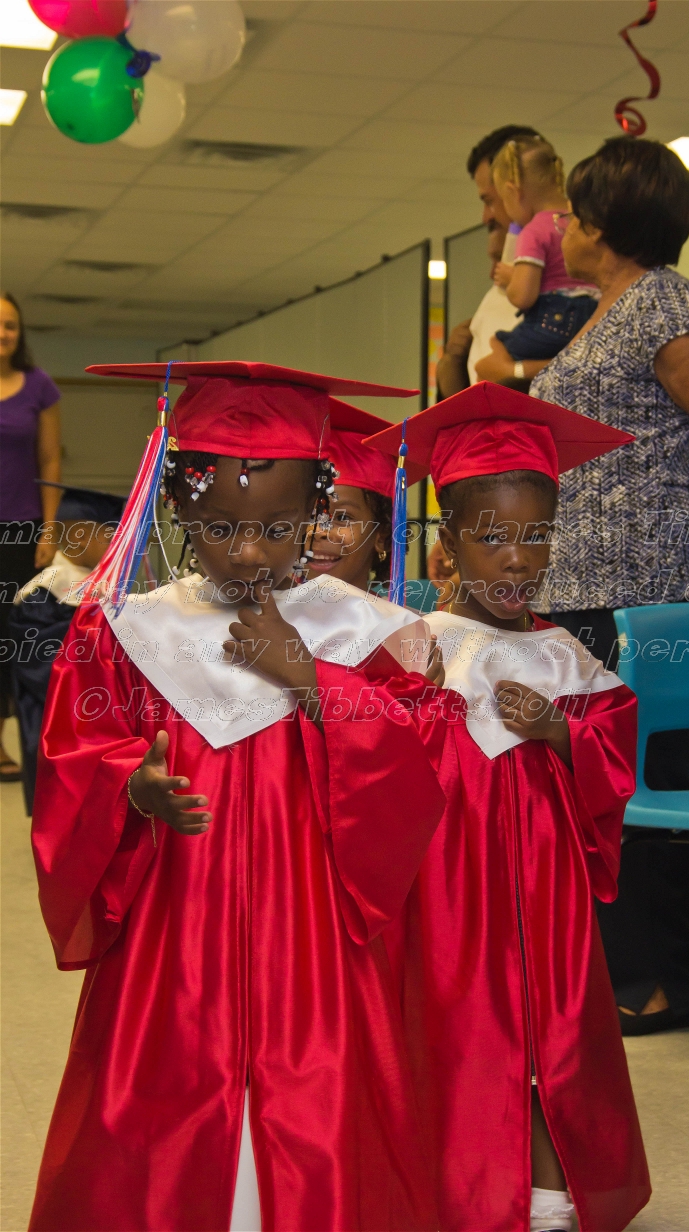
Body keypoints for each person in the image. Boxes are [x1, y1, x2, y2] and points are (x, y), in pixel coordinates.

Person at [28, 360, 448, 1232]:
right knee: (166, 1086)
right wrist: (129, 787)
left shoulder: (362, 632)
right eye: (219, 526)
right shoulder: (126, 629)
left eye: (277, 527)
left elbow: (419, 757)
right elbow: (74, 756)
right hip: (175, 927)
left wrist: (312, 680)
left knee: (319, 1086)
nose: (248, 550)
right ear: (178, 509)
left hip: (311, 927)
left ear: (315, 513)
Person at [365, 384, 650, 1232]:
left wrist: (560, 732)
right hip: (450, 887)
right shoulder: (417, 647)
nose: (518, 560)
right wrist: (422, 706)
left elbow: (614, 756)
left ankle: (551, 1180)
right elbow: (370, 766)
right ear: (448, 542)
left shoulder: (565, 656)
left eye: (537, 537)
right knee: (462, 1024)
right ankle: (462, 1182)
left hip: (545, 889)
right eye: (491, 538)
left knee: (553, 1024)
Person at [527, 137, 689, 1034]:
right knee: (599, 787)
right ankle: (623, 972)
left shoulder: (662, 301)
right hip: (592, 586)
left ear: (604, 225)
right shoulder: (614, 308)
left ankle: (657, 982)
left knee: (627, 787)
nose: (560, 223)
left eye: (573, 211)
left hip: (645, 593)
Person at [8, 482, 125, 814]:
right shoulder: (43, 596)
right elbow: (44, 668)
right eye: (110, 537)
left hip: (98, 720)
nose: (117, 545)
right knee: (62, 808)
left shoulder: (103, 585)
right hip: (57, 724)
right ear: (79, 537)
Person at [0, 293, 61, 782]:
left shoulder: (39, 386)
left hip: (20, 532)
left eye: (10, 325)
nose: (2, 333)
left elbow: (50, 460)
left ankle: (13, 741)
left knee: (14, 639)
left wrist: (49, 528)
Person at [436, 125, 543, 400]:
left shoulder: (567, 278)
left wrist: (513, 371)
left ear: (516, 190)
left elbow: (585, 366)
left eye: (490, 201)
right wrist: (452, 363)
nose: (486, 216)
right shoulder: (506, 289)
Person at [488, 136, 597, 364]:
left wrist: (512, 280)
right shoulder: (583, 222)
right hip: (594, 320)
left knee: (497, 344)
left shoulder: (534, 231)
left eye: (504, 201)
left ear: (513, 191)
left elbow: (523, 297)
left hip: (552, 324)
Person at [301, 399, 422, 592]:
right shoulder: (263, 610)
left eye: (343, 518)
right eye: (309, 515)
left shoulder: (392, 614)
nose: (320, 531)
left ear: (382, 536)